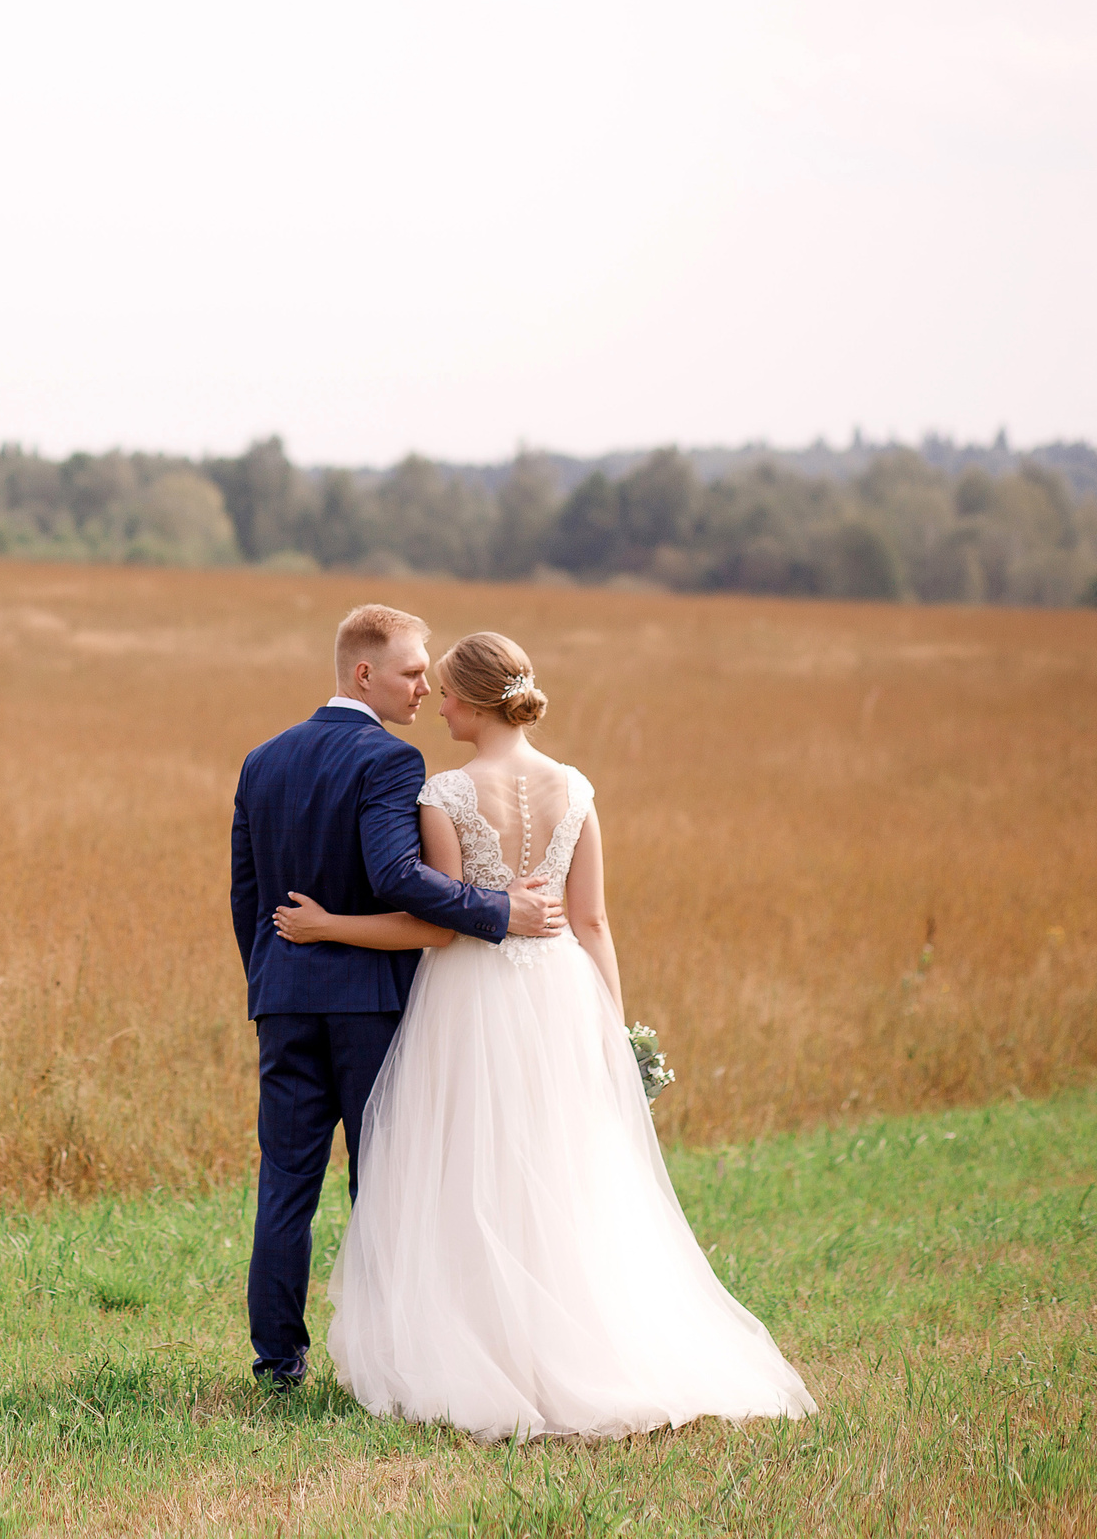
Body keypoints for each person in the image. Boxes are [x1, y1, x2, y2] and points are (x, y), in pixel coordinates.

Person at [274, 630, 815, 1439]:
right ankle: (578, 1344)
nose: (438, 703)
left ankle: (492, 1351)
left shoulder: (446, 794)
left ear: (475, 700)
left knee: (473, 1168)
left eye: (447, 691)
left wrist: (326, 927)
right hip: (562, 993)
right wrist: (615, 1033)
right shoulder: (577, 787)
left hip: (473, 999)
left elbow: (438, 930)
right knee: (562, 1167)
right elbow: (594, 921)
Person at [228, 604, 567, 1389]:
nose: (425, 685)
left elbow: (247, 897)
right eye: (413, 671)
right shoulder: (389, 761)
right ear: (364, 673)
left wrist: (269, 979)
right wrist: (498, 911)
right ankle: (379, 1356)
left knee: (285, 1180)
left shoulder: (262, 758)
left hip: (282, 1000)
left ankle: (279, 1362)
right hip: (369, 1005)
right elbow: (395, 876)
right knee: (384, 1180)